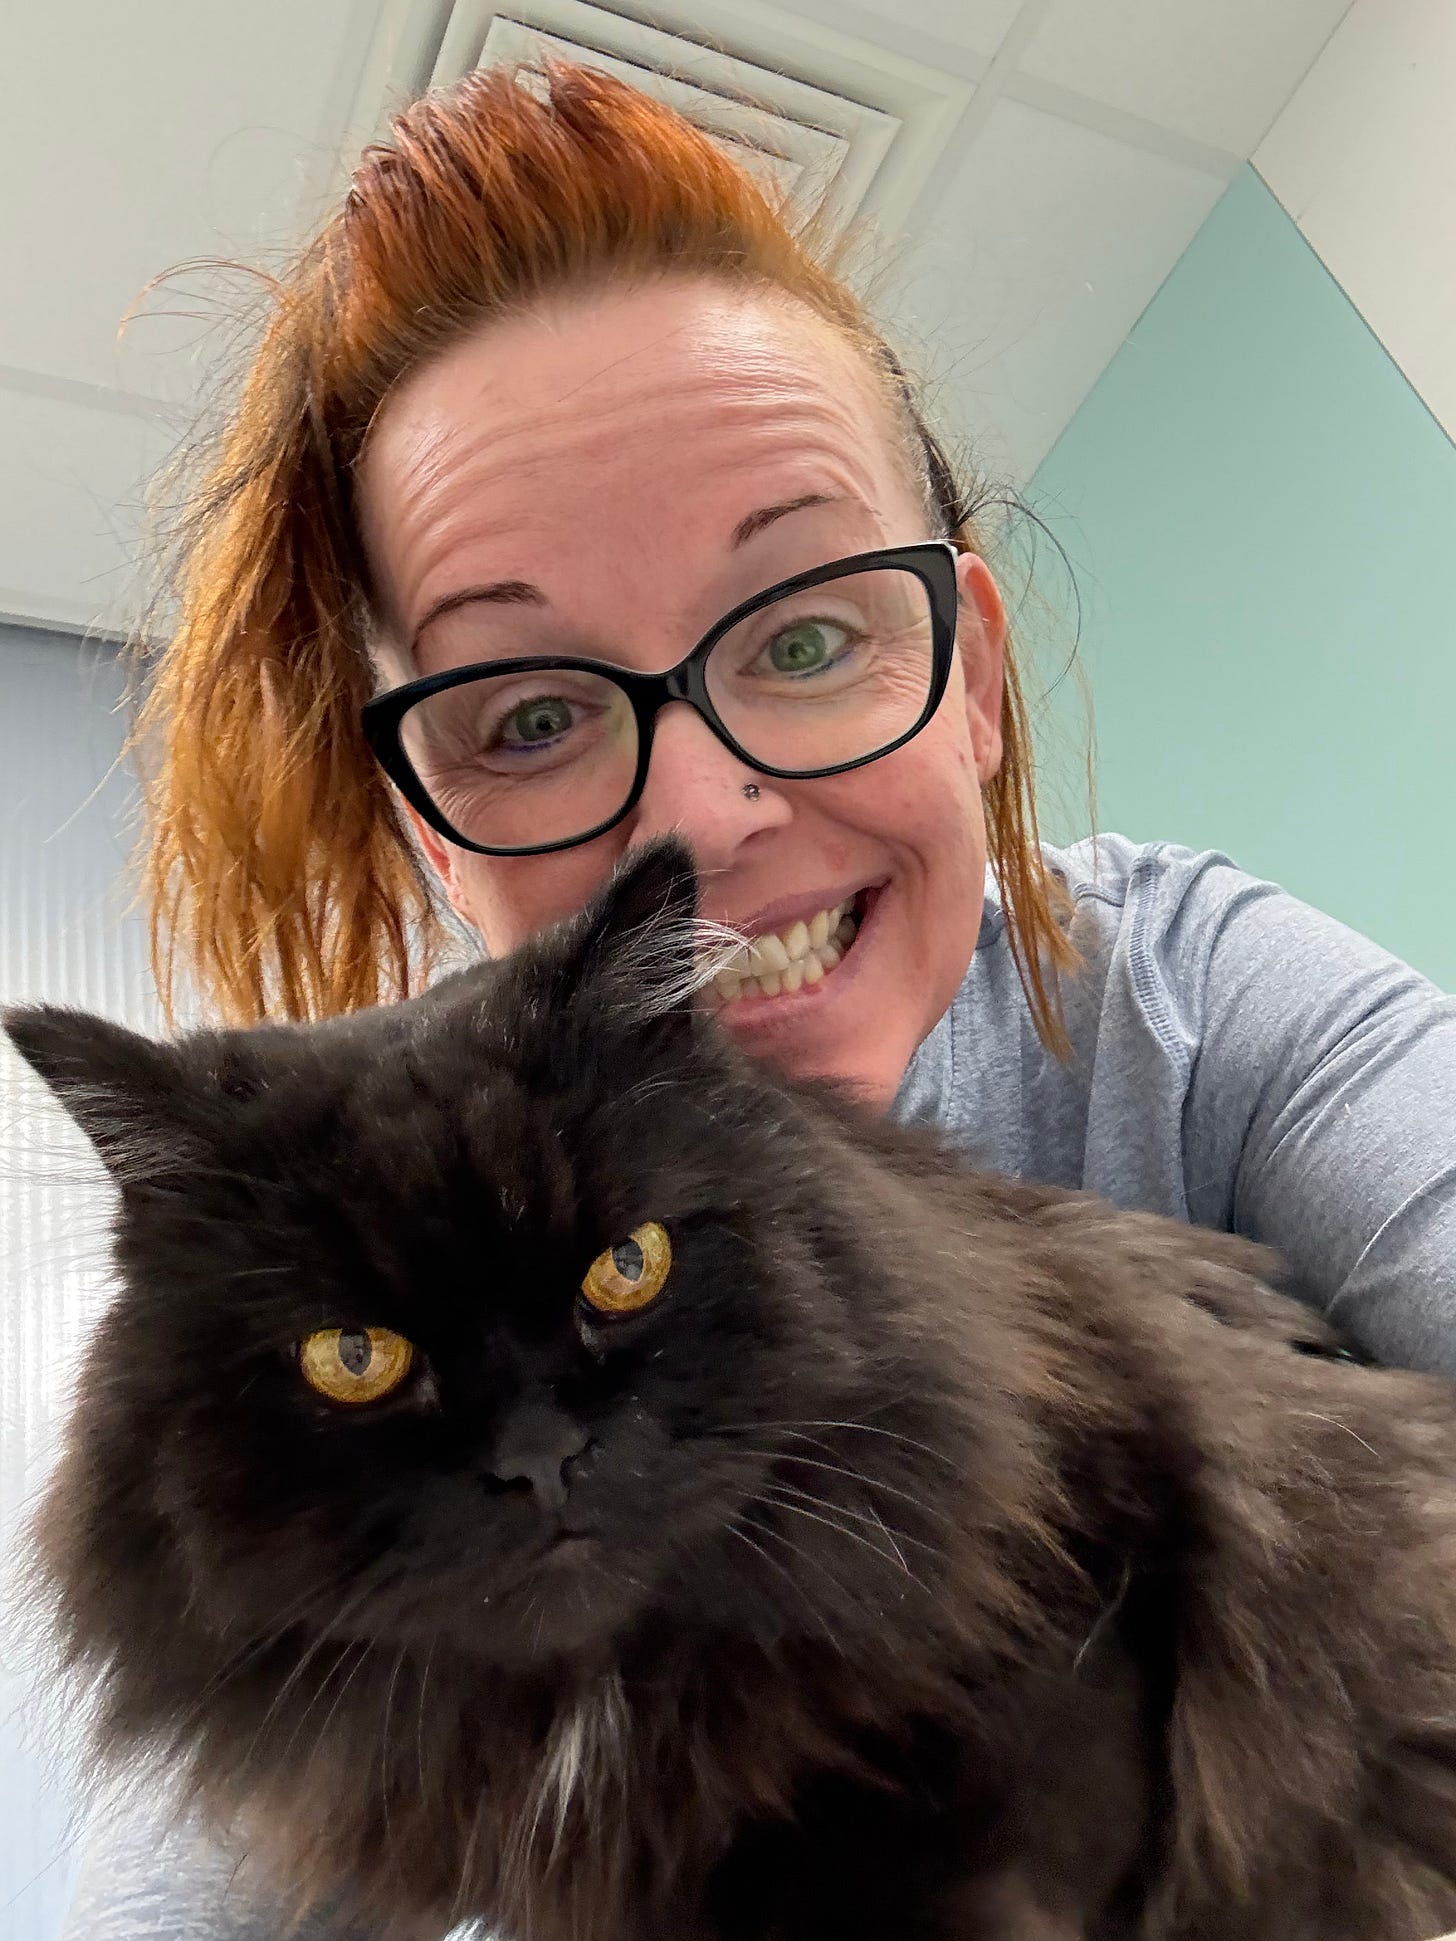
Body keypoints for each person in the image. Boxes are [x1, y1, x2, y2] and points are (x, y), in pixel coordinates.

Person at [61, 57, 1455, 1941]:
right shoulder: (351, 1218)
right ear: (433, 828)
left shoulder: (1193, 996)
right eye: (536, 716)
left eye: (806, 634)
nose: (701, 813)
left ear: (966, 673)